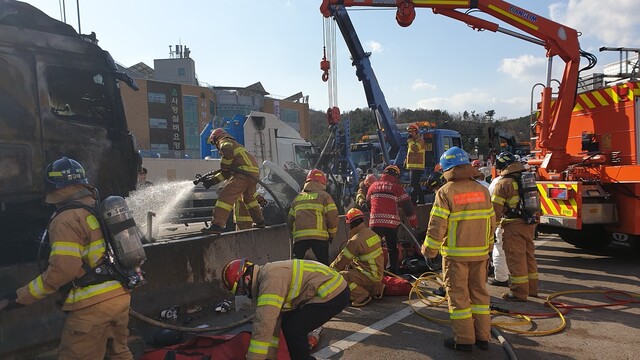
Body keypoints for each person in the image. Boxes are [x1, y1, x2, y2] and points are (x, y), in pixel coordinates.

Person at [0, 156, 133, 359]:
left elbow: (63, 270)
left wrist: (20, 297)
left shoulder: (66, 219)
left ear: (53, 187)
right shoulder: (97, 209)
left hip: (91, 306)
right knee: (118, 354)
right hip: (119, 297)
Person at [421, 147, 496, 352]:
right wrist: (488, 247)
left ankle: (464, 340)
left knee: (459, 297)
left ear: (448, 169)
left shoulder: (445, 192)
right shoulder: (482, 190)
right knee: (480, 295)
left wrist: (429, 251)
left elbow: (437, 226)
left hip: (456, 256)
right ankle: (483, 337)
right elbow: (492, 222)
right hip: (480, 254)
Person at [221, 258, 350, 360]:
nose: (245, 295)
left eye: (241, 291)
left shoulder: (270, 281)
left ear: (247, 279)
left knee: (295, 328)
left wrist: (254, 358)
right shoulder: (267, 275)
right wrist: (270, 357)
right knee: (288, 322)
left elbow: (264, 324)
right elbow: (275, 322)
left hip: (333, 292)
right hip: (331, 290)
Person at [491, 151, 538, 301]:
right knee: (529, 257)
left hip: (513, 227)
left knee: (516, 259)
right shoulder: (528, 178)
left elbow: (495, 212)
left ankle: (519, 293)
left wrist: (491, 231)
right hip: (529, 224)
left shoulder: (503, 183)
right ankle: (532, 290)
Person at [202, 128, 265, 234]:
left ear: (216, 138)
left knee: (225, 196)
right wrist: (212, 181)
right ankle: (260, 221)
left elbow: (226, 151)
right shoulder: (236, 145)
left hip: (244, 173)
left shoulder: (225, 141)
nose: (216, 146)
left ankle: (217, 225)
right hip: (252, 174)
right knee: (249, 198)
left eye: (214, 143)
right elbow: (226, 174)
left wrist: (224, 166)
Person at [367, 165, 418, 274]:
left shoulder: (373, 186)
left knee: (373, 248)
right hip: (391, 225)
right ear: (396, 176)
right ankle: (392, 272)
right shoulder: (396, 187)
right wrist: (414, 224)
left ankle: (374, 272)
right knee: (392, 248)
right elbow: (408, 207)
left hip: (375, 224)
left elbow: (368, 202)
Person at [330, 208, 385, 307]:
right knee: (354, 267)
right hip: (378, 275)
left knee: (340, 277)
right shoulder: (372, 234)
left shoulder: (355, 241)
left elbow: (341, 261)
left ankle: (361, 295)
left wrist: (329, 271)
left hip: (369, 275)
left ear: (350, 224)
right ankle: (376, 289)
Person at [288, 169, 339, 265]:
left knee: (295, 265)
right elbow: (333, 218)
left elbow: (290, 220)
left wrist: (294, 235)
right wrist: (331, 235)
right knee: (324, 265)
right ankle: (324, 280)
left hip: (300, 238)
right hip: (319, 238)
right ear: (322, 182)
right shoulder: (325, 196)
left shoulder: (297, 198)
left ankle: (296, 280)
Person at [487, 174, 510, 287]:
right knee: (520, 252)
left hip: (503, 221)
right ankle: (528, 285)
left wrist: (492, 228)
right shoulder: (523, 178)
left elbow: (492, 204)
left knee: (499, 249)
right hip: (523, 223)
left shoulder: (499, 181)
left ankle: (501, 278)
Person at [405, 123, 426, 204]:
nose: (410, 134)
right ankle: (421, 200)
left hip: (418, 166)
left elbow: (415, 148)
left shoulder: (420, 140)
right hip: (412, 166)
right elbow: (410, 153)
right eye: (409, 132)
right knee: (415, 183)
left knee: (413, 183)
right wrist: (405, 161)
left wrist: (410, 141)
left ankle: (413, 200)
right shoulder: (412, 141)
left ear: (416, 132)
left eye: (412, 132)